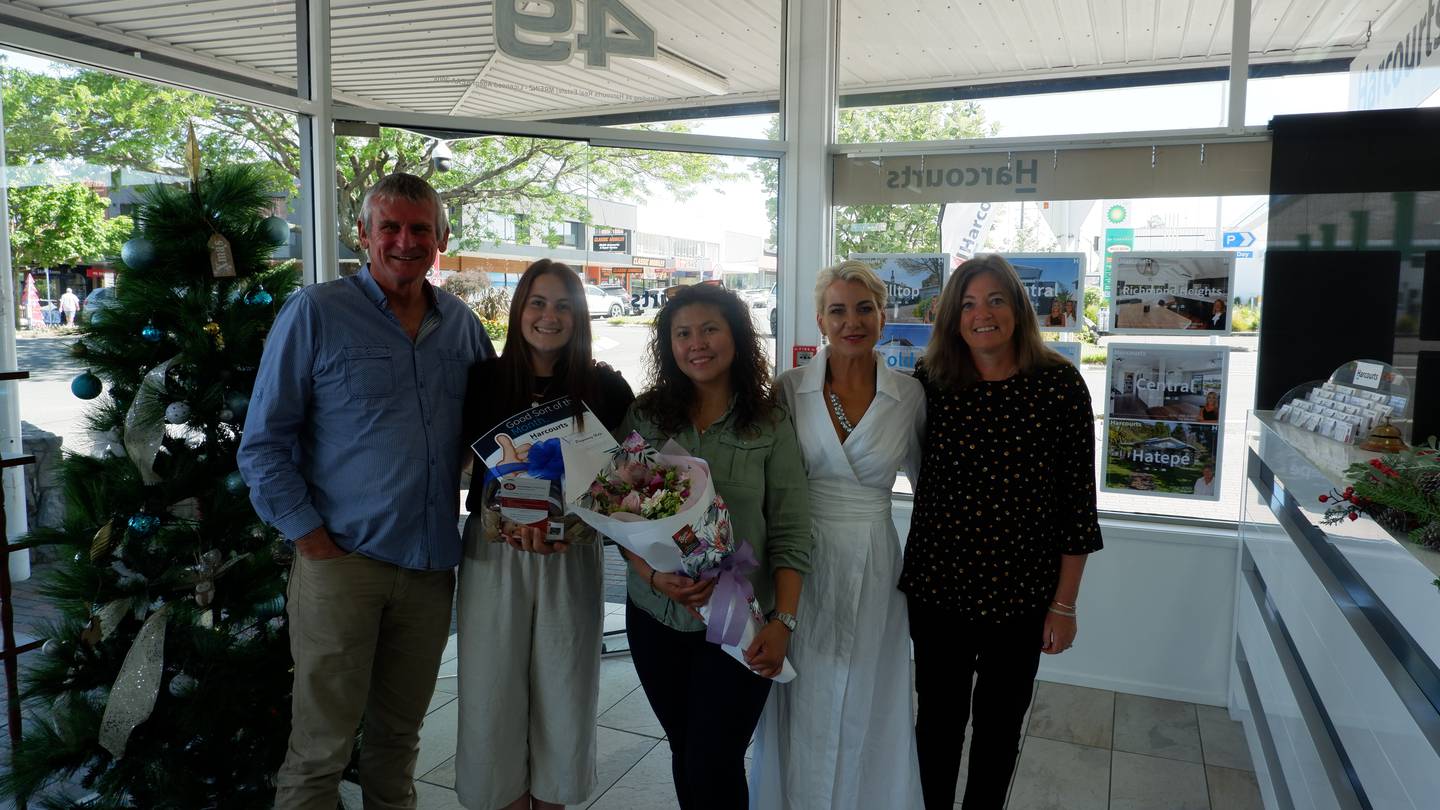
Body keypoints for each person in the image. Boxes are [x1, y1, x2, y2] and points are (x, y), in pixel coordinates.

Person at [237, 173, 492, 810]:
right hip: (342, 564)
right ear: (364, 235)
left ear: (442, 240)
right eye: (391, 227)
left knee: (398, 743)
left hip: (430, 569)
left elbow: (492, 434)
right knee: (319, 749)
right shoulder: (317, 312)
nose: (405, 241)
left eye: (420, 229)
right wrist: (312, 541)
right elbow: (264, 442)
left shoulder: (462, 327)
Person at [901, 254, 1102, 810]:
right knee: (937, 724)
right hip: (940, 588)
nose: (981, 314)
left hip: (1023, 594)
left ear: (1018, 307)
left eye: (994, 300)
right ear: (951, 317)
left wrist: (1065, 606)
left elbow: (1078, 508)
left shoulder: (1060, 385)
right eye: (967, 304)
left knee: (999, 728)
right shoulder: (931, 382)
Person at [618, 284, 811, 809]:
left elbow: (793, 532)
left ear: (737, 338)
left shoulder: (768, 423)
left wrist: (783, 623)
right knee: (688, 753)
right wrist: (653, 577)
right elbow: (615, 511)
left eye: (710, 329)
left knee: (713, 757)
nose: (696, 343)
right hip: (658, 616)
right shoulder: (646, 418)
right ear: (669, 345)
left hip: (738, 619)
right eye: (683, 333)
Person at [454, 260, 634, 810]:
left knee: (565, 684)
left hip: (569, 554)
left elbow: (626, 483)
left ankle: (555, 797)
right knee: (491, 689)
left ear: (579, 315)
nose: (548, 316)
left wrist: (579, 522)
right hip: (494, 553)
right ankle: (500, 797)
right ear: (518, 309)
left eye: (562, 305)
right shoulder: (482, 380)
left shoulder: (605, 388)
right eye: (537, 302)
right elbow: (460, 462)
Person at [750, 261, 924, 810]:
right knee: (802, 684)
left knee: (866, 685)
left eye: (864, 308)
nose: (852, 321)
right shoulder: (789, 388)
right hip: (801, 556)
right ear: (820, 321)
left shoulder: (910, 396)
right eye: (838, 310)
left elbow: (929, 489)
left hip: (874, 555)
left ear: (883, 314)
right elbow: (769, 483)